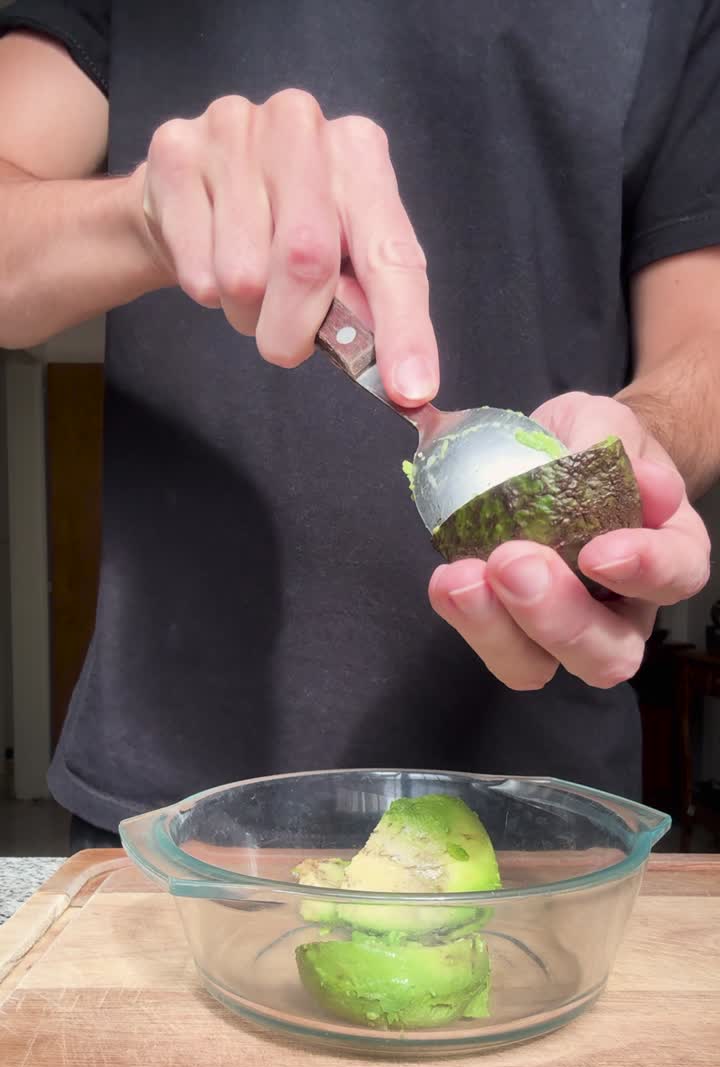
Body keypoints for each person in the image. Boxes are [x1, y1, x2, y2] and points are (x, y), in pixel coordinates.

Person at [0, 2, 716, 852]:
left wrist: (634, 442)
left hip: (544, 812)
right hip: (170, 804)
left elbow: (701, 339)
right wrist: (144, 214)